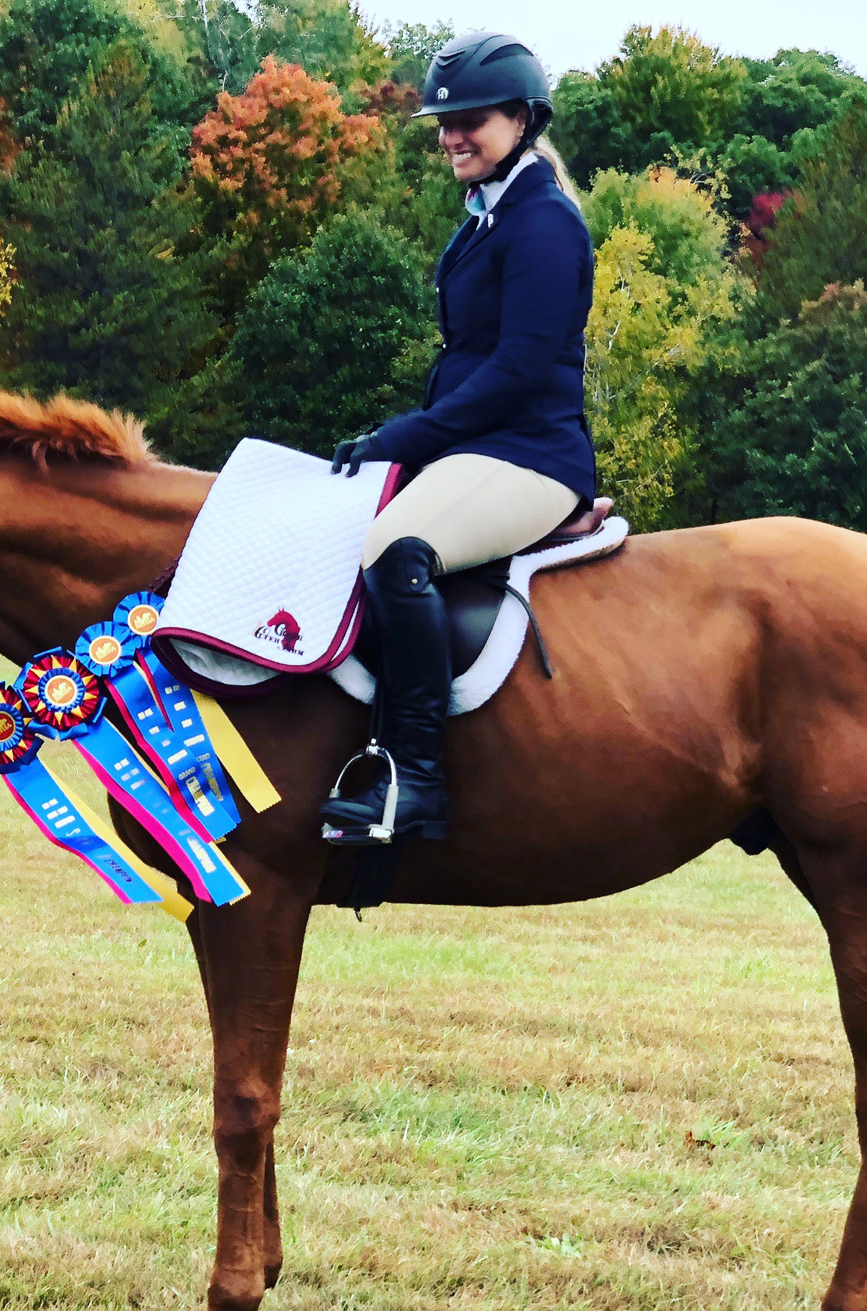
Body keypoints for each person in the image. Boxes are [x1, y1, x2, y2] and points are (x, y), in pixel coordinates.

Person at [320, 30, 597, 846]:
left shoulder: (543, 224)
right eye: (443, 121)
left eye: (470, 118)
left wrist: (400, 437)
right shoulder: (483, 219)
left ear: (522, 118)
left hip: (530, 456)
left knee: (395, 548)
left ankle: (419, 783)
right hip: (477, 454)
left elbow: (514, 373)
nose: (450, 136)